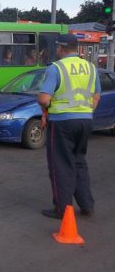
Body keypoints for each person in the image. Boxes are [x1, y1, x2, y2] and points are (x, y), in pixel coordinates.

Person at [37, 34, 101, 219]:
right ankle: (87, 205)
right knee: (79, 162)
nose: (56, 50)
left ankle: (62, 209)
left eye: (57, 47)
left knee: (61, 165)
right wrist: (84, 112)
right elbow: (96, 96)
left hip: (61, 122)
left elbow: (44, 98)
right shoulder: (91, 68)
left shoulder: (56, 68)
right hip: (85, 120)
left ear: (62, 47)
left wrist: (45, 109)